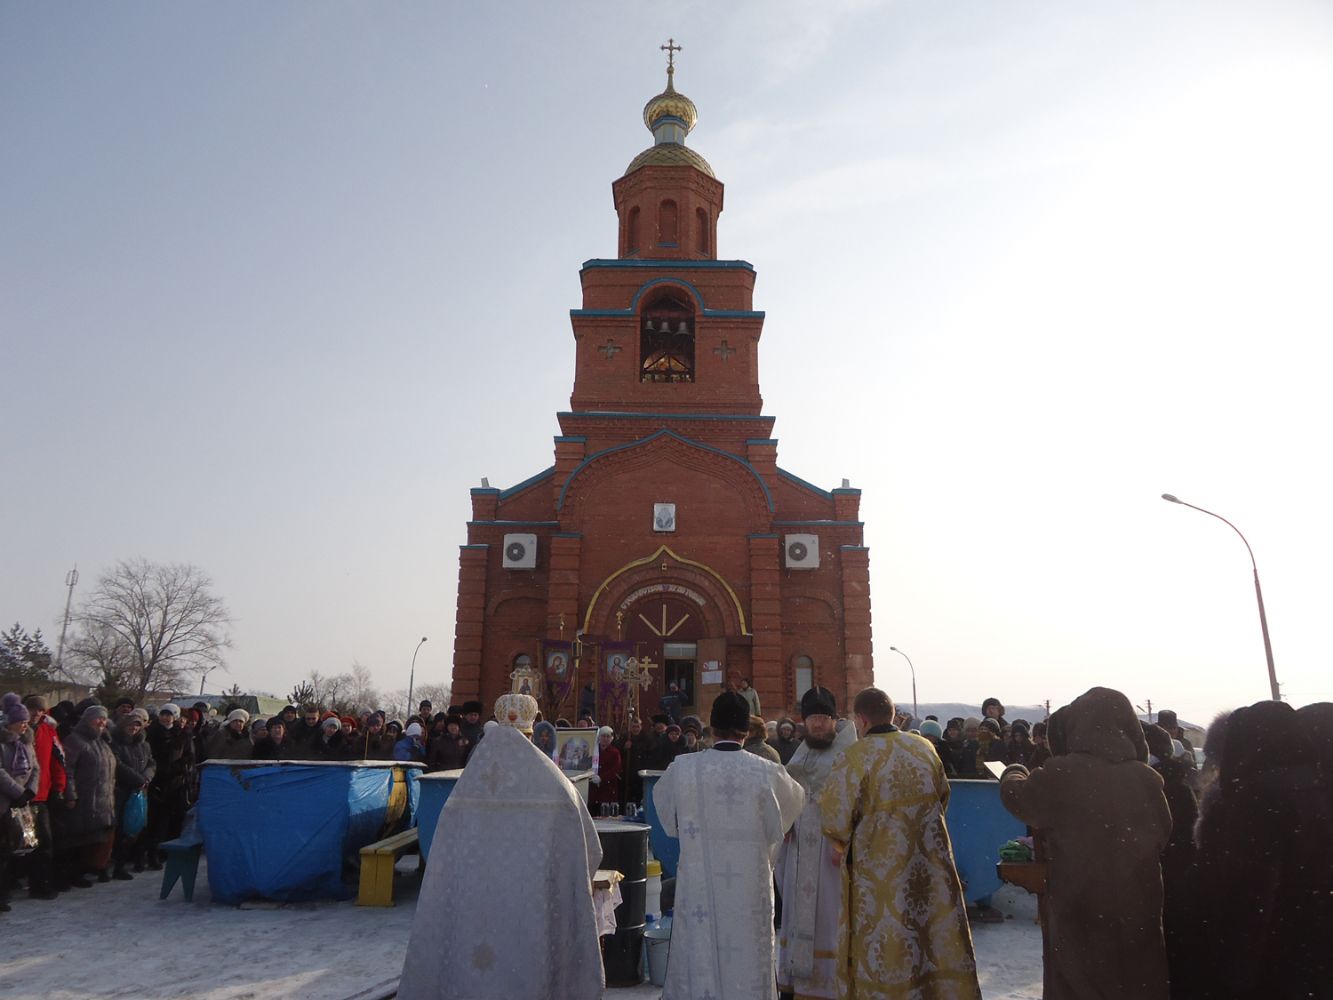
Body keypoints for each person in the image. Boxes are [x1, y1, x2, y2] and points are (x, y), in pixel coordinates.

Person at [397, 693, 604, 1000]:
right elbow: (590, 853)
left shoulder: (465, 789)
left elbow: (441, 858)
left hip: (473, 905)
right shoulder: (556, 786)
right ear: (531, 734)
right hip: (532, 908)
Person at [1000, 687, 1170, 999]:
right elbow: (1163, 832)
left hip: (1081, 909)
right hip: (1138, 909)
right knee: (1137, 981)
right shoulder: (1145, 779)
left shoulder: (1064, 773)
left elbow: (1019, 798)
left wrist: (1012, 772)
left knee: (1081, 983)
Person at [819, 687, 980, 999]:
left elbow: (835, 821)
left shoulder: (854, 757)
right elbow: (943, 798)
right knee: (930, 939)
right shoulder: (924, 748)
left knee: (890, 945)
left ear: (861, 719)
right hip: (930, 869)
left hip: (880, 875)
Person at [653, 690, 804, 1000]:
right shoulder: (768, 772)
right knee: (748, 957)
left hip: (699, 889)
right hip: (750, 888)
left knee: (698, 952)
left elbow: (667, 817)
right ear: (746, 732)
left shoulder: (683, 769)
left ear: (712, 728)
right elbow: (791, 809)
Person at [1176, 700, 1333, 999]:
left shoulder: (1250, 801)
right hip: (1314, 954)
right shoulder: (1318, 792)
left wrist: (1232, 972)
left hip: (1267, 962)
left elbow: (1244, 895)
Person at [776, 686, 857, 1000]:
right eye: (813, 718)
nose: (819, 724)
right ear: (804, 722)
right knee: (797, 915)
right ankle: (796, 983)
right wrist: (785, 823)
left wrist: (844, 843)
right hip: (799, 851)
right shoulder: (802, 753)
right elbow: (788, 796)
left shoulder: (850, 754)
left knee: (830, 918)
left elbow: (858, 804)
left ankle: (831, 986)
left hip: (832, 853)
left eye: (824, 718)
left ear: (835, 720)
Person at [56, 704, 118, 889]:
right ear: (87, 719)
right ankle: (65, 875)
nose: (101, 722)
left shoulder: (102, 741)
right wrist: (70, 794)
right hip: (81, 797)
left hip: (98, 798)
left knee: (89, 840)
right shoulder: (75, 740)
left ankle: (79, 873)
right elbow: (67, 769)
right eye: (98, 718)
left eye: (104, 719)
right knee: (74, 839)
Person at [20, 695, 65, 897]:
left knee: (45, 843)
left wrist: (59, 787)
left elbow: (59, 761)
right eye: (32, 709)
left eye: (40, 710)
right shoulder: (15, 731)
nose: (36, 713)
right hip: (19, 797)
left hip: (41, 796)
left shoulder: (48, 731)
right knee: (22, 844)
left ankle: (40, 884)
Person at [1, 693, 40, 912]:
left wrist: (30, 790)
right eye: (20, 722)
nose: (25, 725)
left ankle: (5, 891)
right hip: (5, 801)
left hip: (20, 803)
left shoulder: (26, 743)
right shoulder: (3, 743)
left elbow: (35, 768)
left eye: (26, 721)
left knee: (12, 850)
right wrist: (17, 792)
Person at [109, 711, 155, 880]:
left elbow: (151, 763)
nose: (134, 728)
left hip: (140, 791)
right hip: (122, 789)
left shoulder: (144, 744)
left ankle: (132, 860)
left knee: (136, 827)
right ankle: (117, 865)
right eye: (131, 724)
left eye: (137, 725)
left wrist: (147, 778)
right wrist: (138, 780)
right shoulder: (116, 743)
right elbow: (118, 765)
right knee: (121, 829)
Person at [590, 725, 620, 813]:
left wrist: (601, 778)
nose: (605, 739)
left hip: (608, 788)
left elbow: (616, 769)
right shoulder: (593, 751)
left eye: (608, 736)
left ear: (611, 739)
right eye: (603, 736)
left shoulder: (615, 752)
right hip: (593, 788)